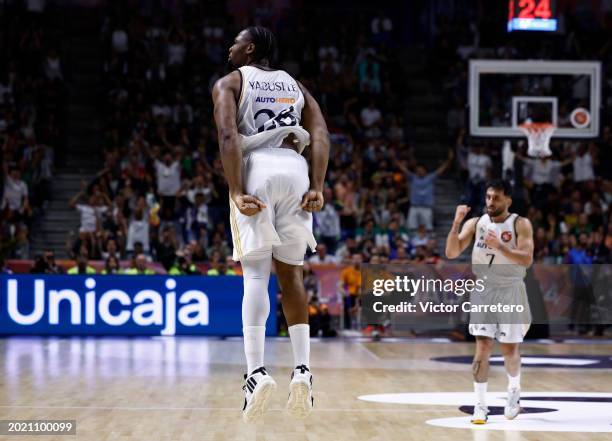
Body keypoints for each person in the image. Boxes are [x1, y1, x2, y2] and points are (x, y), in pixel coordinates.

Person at [212, 26, 329, 423]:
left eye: (235, 42)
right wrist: (318, 185)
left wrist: (236, 190)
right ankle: (303, 370)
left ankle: (256, 373)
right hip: (295, 168)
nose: (229, 47)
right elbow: (321, 132)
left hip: (258, 167)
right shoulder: (295, 85)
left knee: (256, 279)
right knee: (292, 276)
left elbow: (228, 135)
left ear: (249, 48)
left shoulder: (230, 82)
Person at [445, 179, 534, 425]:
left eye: (496, 198)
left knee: (509, 349)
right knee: (482, 348)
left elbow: (527, 259)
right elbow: (451, 252)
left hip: (511, 290)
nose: (490, 202)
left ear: (508, 200)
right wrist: (456, 223)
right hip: (484, 290)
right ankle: (480, 405)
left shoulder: (520, 224)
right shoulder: (477, 223)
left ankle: (514, 392)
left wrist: (502, 247)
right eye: (488, 197)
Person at [396, 149, 454, 232]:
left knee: (428, 229)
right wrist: (394, 159)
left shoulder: (430, 178)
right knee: (411, 228)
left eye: (421, 169)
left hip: (426, 208)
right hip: (414, 207)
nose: (419, 171)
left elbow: (441, 169)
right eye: (417, 170)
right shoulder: (413, 178)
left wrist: (449, 159)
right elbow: (403, 169)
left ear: (425, 170)